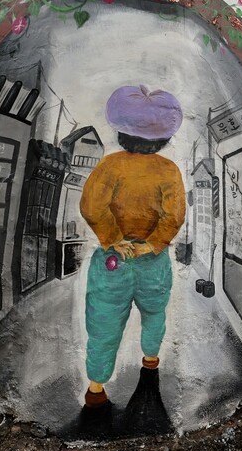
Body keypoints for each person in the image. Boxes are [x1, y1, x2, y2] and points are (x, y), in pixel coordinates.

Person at [79, 85, 186, 408]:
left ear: (121, 130)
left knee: (104, 322)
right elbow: (174, 215)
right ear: (163, 137)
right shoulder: (169, 171)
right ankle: (150, 359)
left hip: (114, 258)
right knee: (154, 313)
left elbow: (91, 206)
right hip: (153, 260)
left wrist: (113, 239)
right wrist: (153, 244)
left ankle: (96, 388)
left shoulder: (111, 165)